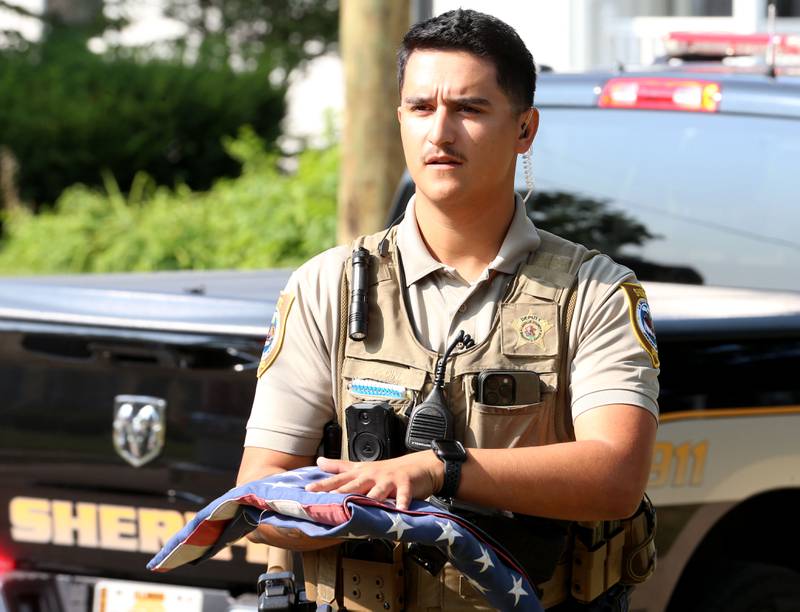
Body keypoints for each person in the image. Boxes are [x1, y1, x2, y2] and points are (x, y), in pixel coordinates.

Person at [237, 9, 659, 611]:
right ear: (400, 120)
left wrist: (438, 471)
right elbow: (258, 496)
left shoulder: (592, 293)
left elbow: (616, 478)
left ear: (524, 129)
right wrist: (352, 505)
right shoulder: (326, 287)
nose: (441, 132)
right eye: (421, 108)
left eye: (469, 109)